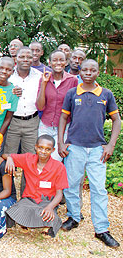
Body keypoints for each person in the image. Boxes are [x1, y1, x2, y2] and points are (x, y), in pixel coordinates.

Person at [58, 59, 121, 248]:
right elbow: (63, 117)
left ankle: (101, 229)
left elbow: (116, 120)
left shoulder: (106, 94)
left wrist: (110, 145)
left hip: (97, 150)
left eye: (92, 70)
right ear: (80, 72)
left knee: (99, 189)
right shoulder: (72, 93)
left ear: (98, 72)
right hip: (75, 147)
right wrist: (61, 142)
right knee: (71, 185)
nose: (88, 72)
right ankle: (74, 217)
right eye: (84, 69)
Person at [4, 134, 68, 238]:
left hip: (47, 202)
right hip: (29, 200)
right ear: (35, 147)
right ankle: (29, 222)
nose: (43, 151)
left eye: (47, 149)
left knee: (50, 216)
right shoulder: (28, 159)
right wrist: (10, 159)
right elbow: (5, 155)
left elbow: (59, 194)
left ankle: (31, 222)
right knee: (16, 209)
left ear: (53, 150)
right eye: (40, 148)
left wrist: (50, 207)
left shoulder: (59, 167)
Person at [36, 50, 78, 161]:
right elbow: (40, 106)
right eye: (54, 60)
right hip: (45, 125)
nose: (58, 63)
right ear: (49, 63)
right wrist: (44, 84)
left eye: (61, 60)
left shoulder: (72, 80)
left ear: (66, 62)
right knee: (42, 157)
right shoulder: (44, 78)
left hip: (64, 127)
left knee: (55, 159)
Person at [4, 47, 42, 155]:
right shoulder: (8, 76)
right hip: (12, 121)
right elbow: (1, 102)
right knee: (9, 155)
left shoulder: (39, 76)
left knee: (31, 156)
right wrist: (10, 94)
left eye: (29, 57)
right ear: (16, 58)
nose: (25, 60)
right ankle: (9, 173)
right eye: (22, 57)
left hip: (32, 121)